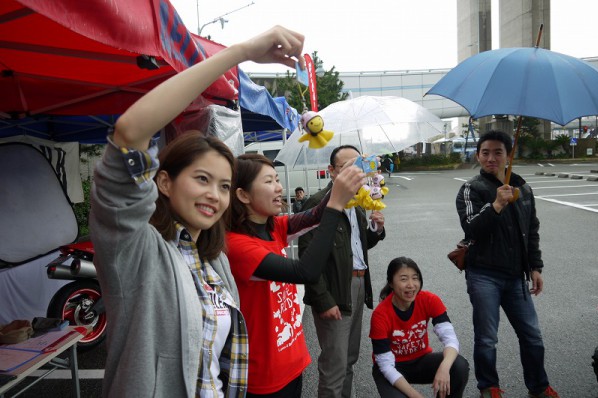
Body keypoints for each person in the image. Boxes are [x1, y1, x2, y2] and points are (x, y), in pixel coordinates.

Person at [89, 26, 306, 397]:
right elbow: (128, 133)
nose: (215, 195)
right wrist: (241, 52)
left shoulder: (212, 261)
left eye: (224, 186)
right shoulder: (136, 249)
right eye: (202, 179)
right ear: (164, 182)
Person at [226, 153, 366, 396]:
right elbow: (306, 271)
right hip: (263, 377)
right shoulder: (237, 246)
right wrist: (335, 204)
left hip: (291, 363)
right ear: (242, 194)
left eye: (277, 179)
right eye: (268, 182)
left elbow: (317, 215)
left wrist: (341, 183)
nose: (279, 187)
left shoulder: (274, 227)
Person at [456, 130, 559, 398]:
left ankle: (538, 387)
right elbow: (471, 228)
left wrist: (535, 268)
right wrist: (497, 204)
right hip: (483, 275)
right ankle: (488, 387)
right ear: (478, 155)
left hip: (516, 276)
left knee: (532, 336)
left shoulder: (523, 189)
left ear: (509, 155)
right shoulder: (472, 188)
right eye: (486, 152)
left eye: (498, 152)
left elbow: (531, 230)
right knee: (487, 338)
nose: (491, 158)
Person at [299, 144, 386, 398]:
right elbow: (307, 258)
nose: (354, 172)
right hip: (335, 290)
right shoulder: (318, 204)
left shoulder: (359, 202)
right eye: (346, 167)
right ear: (332, 172)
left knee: (349, 358)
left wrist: (375, 230)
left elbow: (356, 249)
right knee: (334, 365)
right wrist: (323, 300)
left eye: (358, 166)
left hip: (359, 285)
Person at [369, 257, 469, 398]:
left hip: (420, 361)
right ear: (391, 283)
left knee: (458, 365)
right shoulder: (380, 315)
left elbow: (451, 340)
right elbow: (386, 366)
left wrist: (444, 368)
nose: (411, 285)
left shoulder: (429, 300)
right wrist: (417, 396)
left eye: (415, 278)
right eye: (403, 279)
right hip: (390, 368)